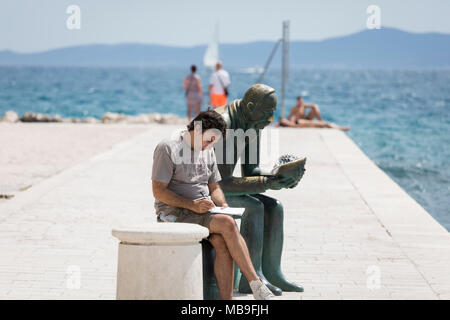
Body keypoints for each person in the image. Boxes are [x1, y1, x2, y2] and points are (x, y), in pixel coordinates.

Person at [151, 110, 275, 300]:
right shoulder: (167, 148)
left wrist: (223, 205)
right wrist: (192, 205)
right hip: (174, 213)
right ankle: (256, 284)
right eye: (209, 140)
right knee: (227, 224)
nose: (210, 145)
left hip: (202, 212)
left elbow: (214, 186)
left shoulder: (207, 152)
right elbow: (158, 191)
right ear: (198, 129)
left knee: (221, 243)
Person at [279, 96, 350, 131]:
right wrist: (284, 121)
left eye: (302, 101)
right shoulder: (294, 109)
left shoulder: (303, 106)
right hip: (302, 122)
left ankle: (338, 127)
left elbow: (286, 120)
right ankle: (340, 128)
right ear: (297, 101)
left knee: (324, 123)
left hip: (304, 121)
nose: (301, 102)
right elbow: (288, 118)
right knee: (326, 124)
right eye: (300, 101)